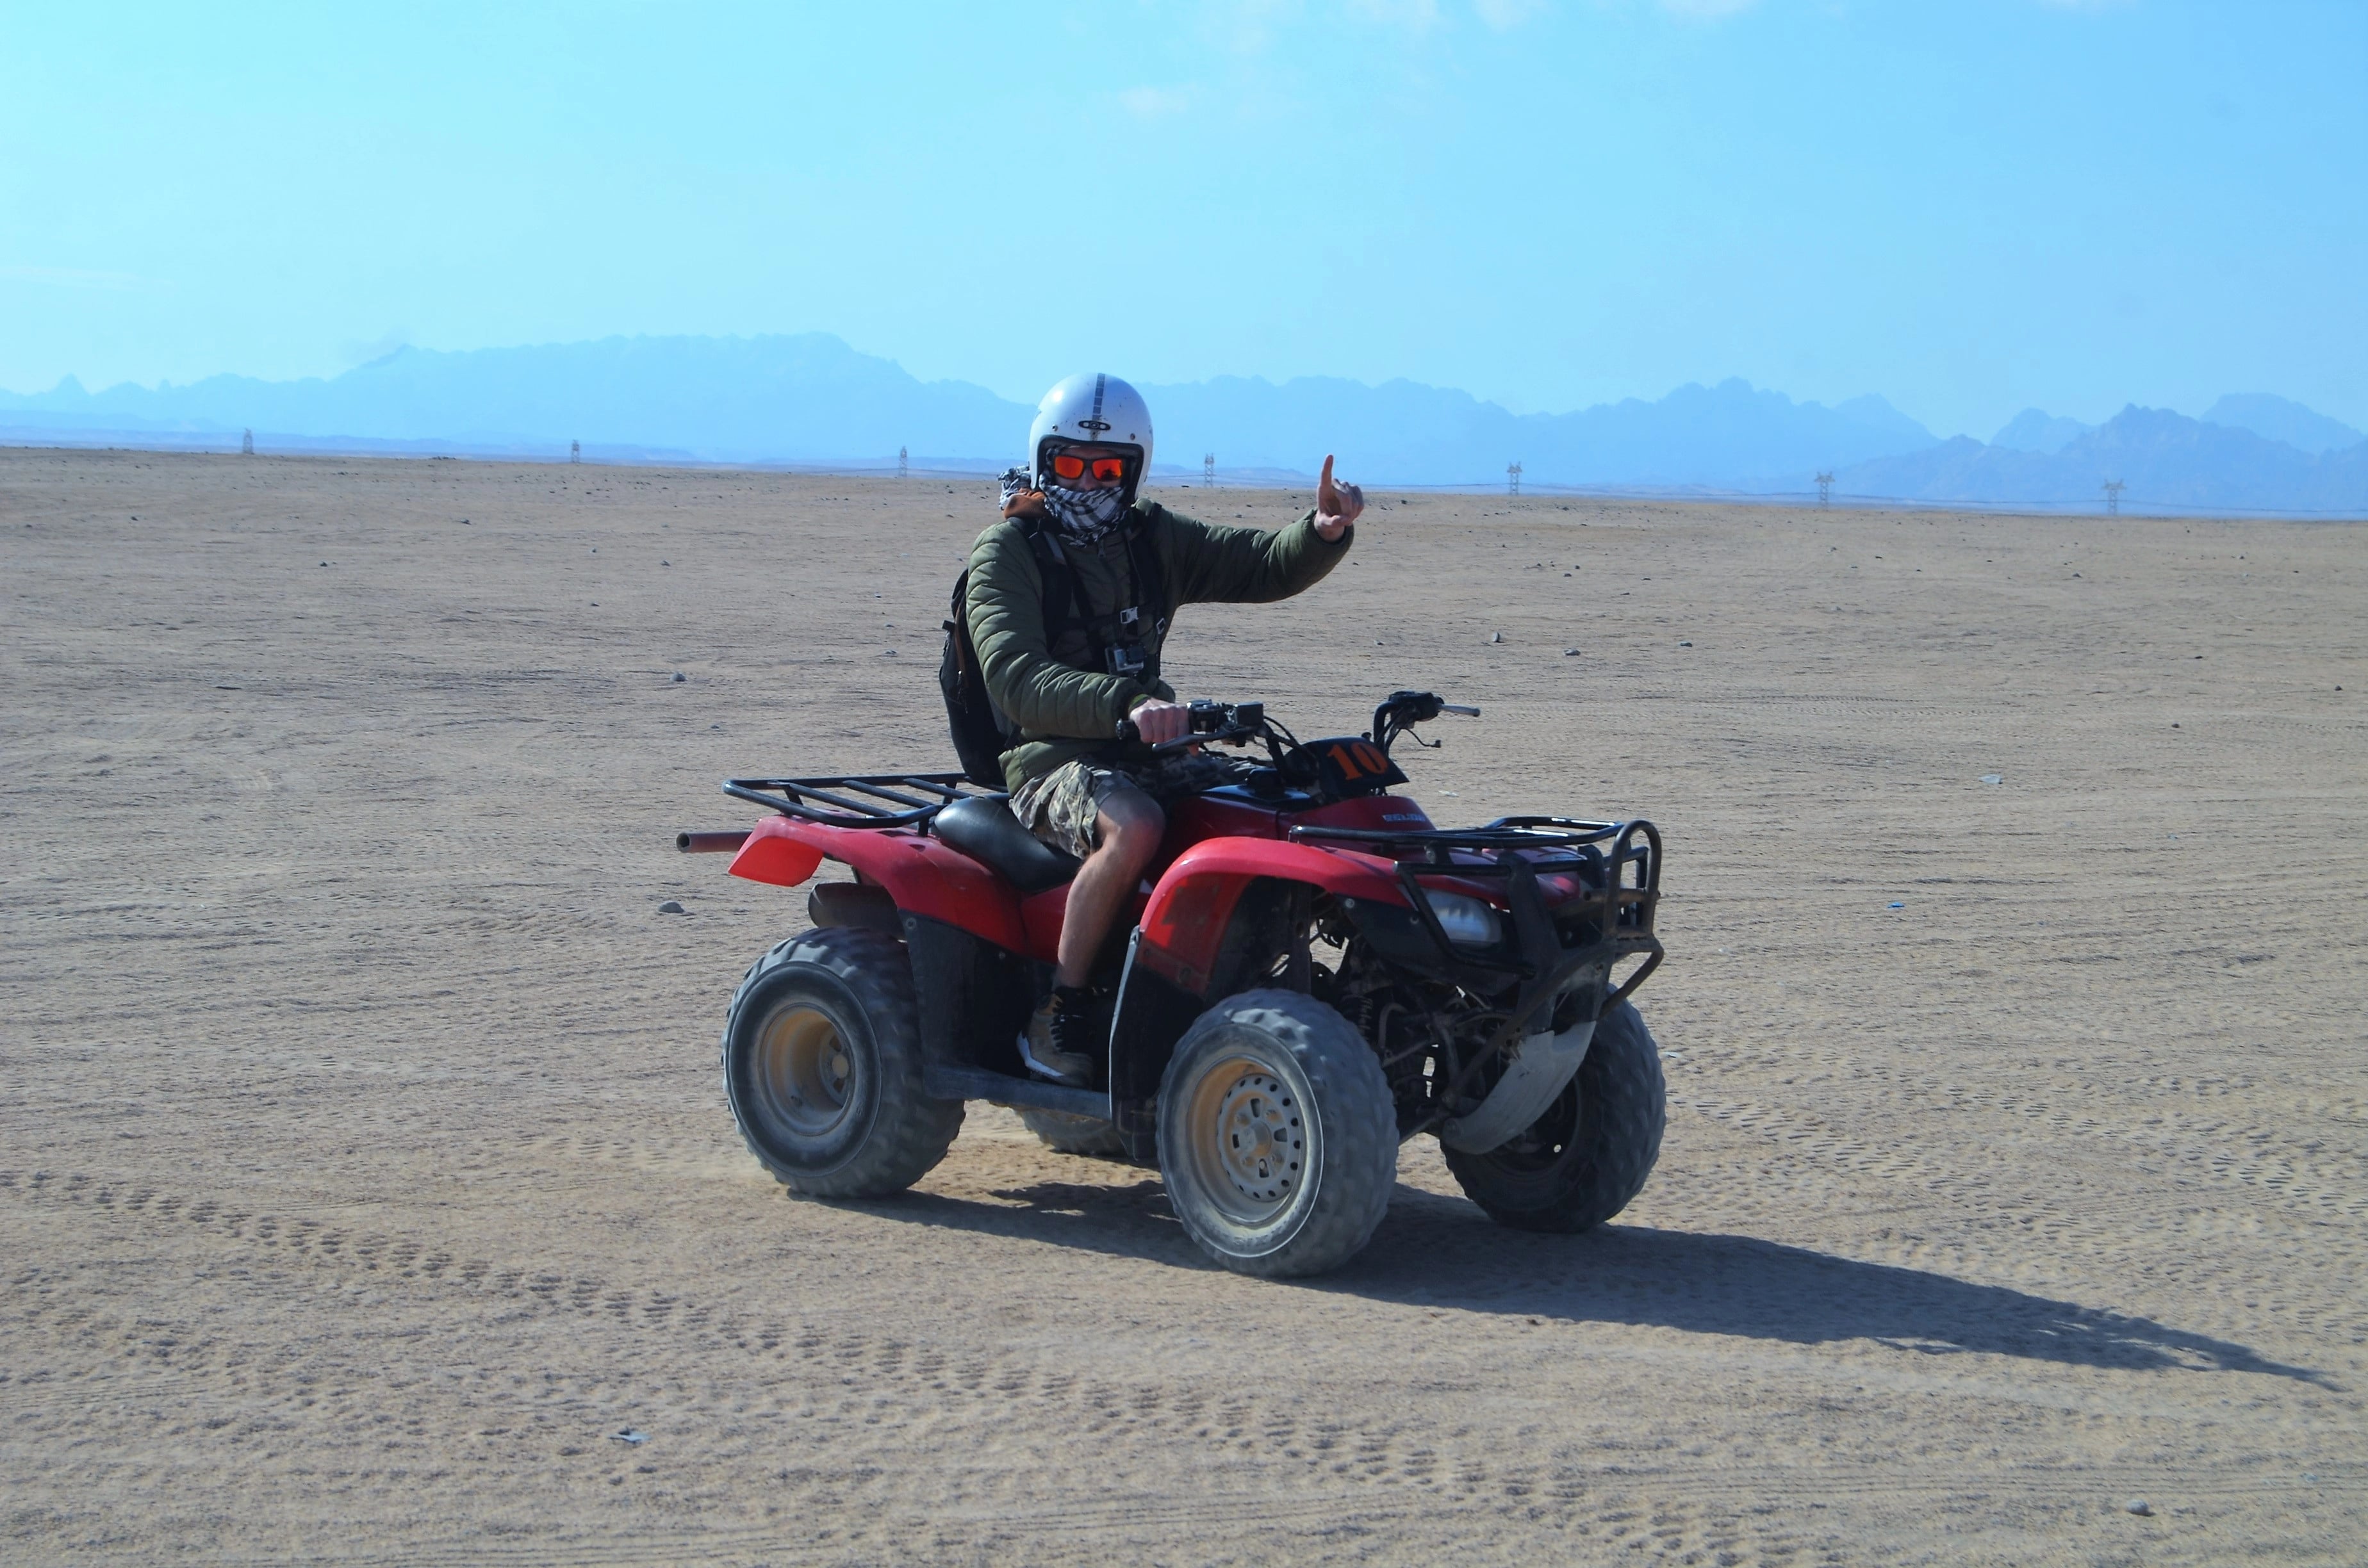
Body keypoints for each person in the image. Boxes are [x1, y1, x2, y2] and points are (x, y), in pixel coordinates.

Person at [966, 372, 1365, 1082]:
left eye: (1107, 469)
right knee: (1136, 828)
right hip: (1051, 758)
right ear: (1042, 460)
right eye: (1069, 465)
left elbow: (1253, 563)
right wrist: (1125, 705)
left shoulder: (1149, 539)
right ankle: (1060, 1011)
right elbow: (1016, 680)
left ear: (1134, 469)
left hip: (1148, 746)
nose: (1087, 483)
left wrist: (1322, 533)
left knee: (1276, 809)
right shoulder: (1008, 553)